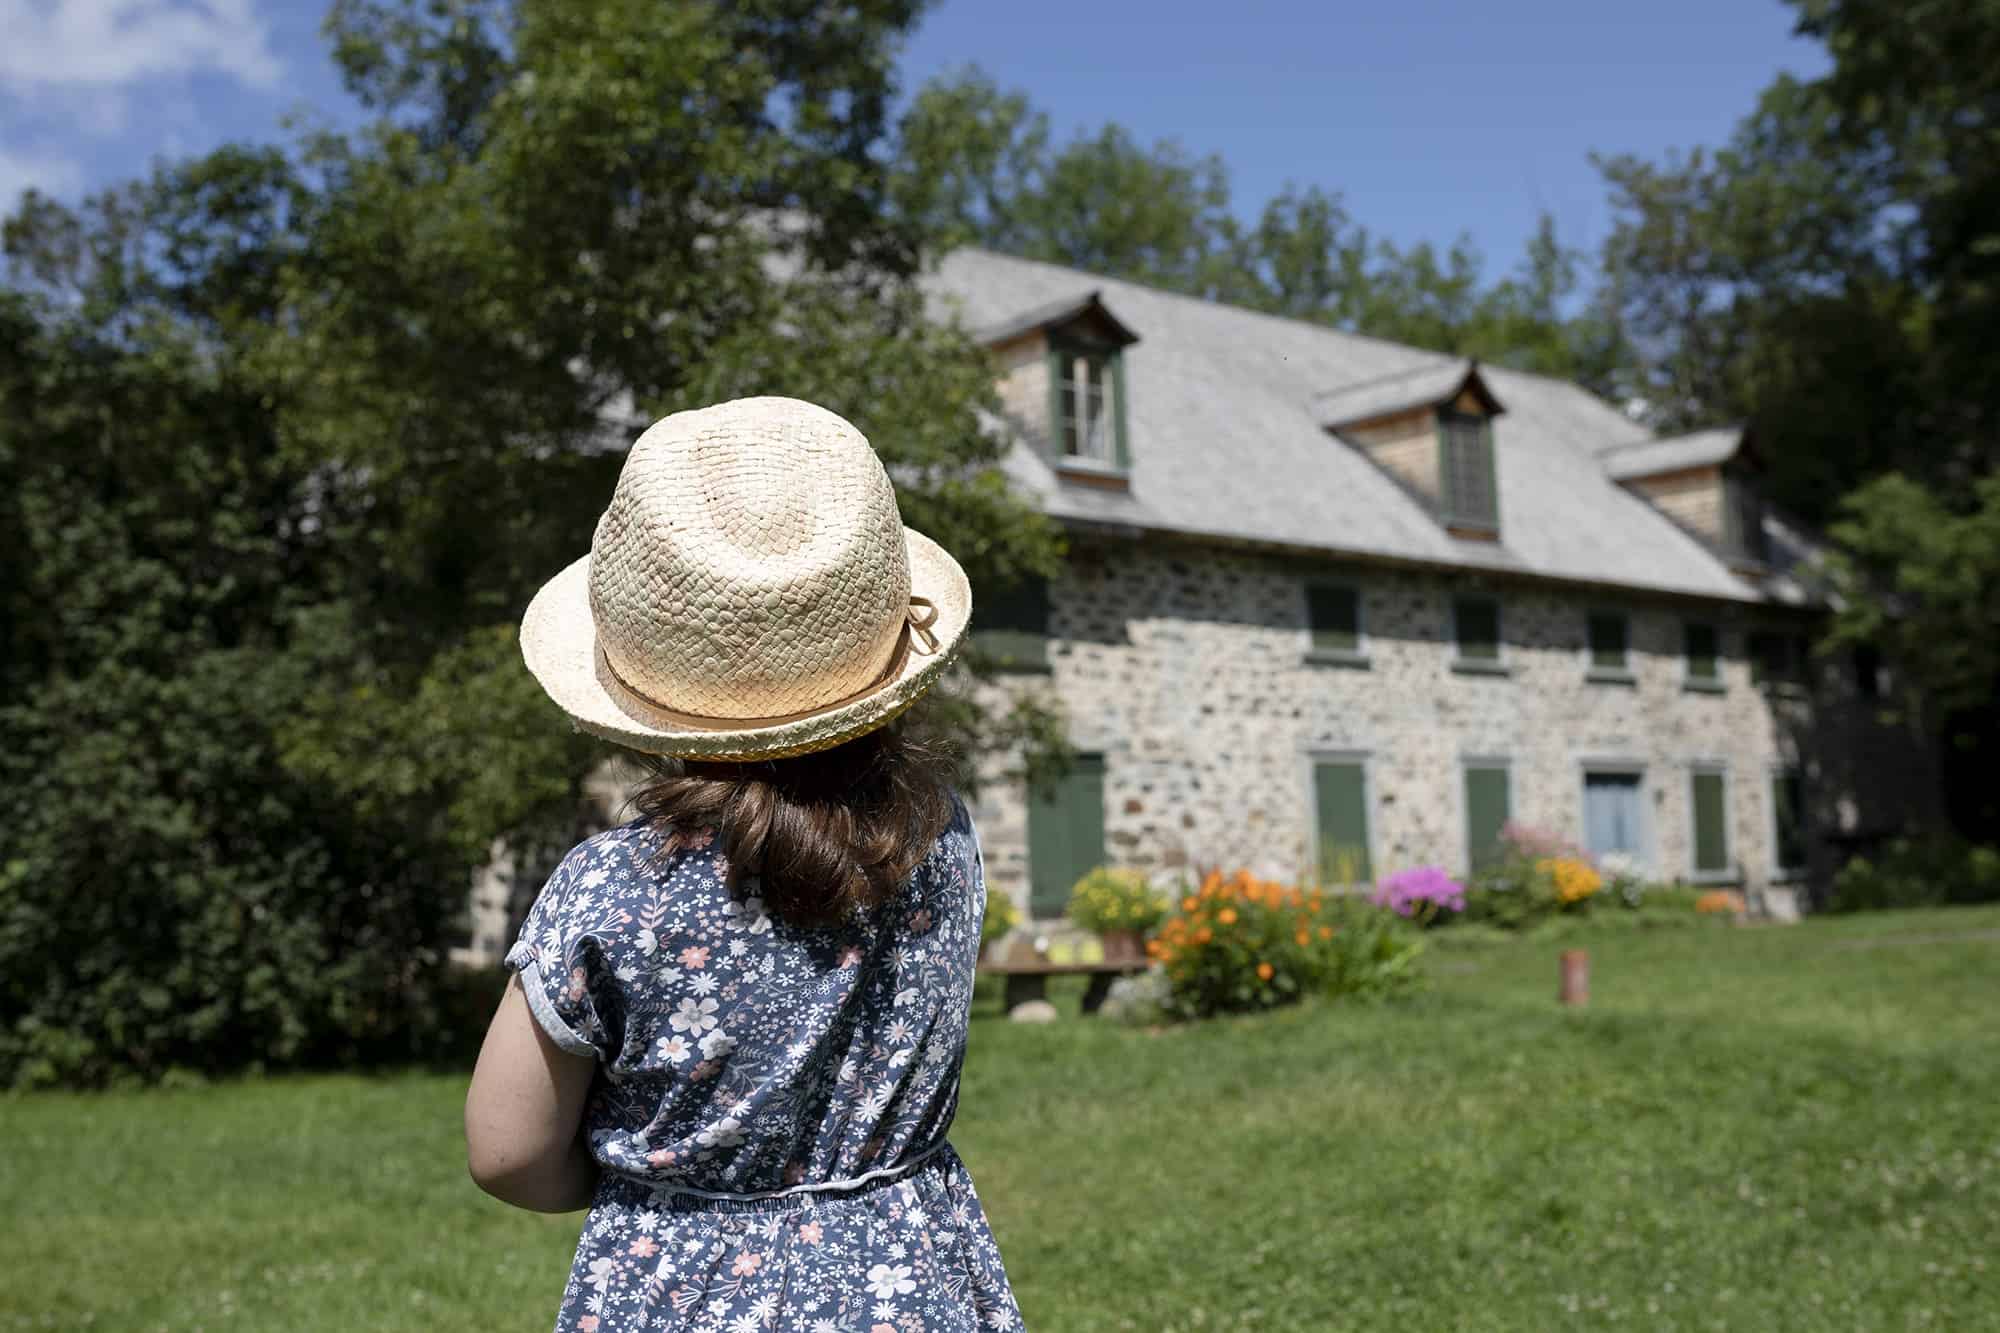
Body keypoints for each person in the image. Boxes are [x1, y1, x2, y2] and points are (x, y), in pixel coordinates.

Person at [464, 397, 1023, 1332]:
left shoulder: (612, 889)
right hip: (914, 1280)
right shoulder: (940, 836)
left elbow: (507, 1148)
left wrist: (660, 1189)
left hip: (683, 1289)